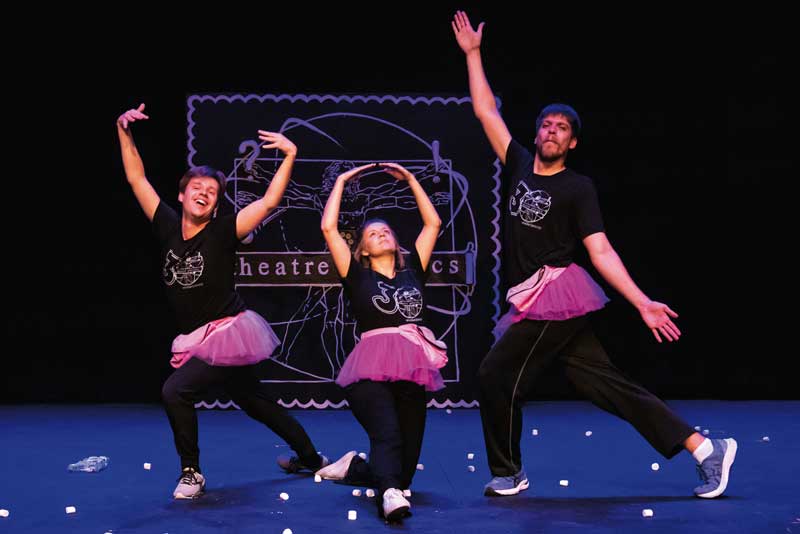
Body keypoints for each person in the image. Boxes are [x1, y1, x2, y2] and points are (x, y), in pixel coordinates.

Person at [451, 11, 736, 499]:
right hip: (528, 297)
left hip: (559, 292)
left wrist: (641, 301)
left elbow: (600, 250)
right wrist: (474, 55)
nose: (551, 130)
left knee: (494, 373)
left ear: (573, 141)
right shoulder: (519, 162)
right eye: (546, 124)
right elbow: (485, 112)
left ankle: (508, 471)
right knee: (604, 384)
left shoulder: (577, 188)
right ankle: (706, 449)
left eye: (562, 128)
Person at [116, 104, 328, 500]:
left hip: (229, 332)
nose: (203, 194)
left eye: (211, 192)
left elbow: (266, 204)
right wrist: (123, 132)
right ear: (181, 195)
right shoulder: (165, 224)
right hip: (197, 335)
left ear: (216, 206)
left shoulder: (223, 231)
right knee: (257, 403)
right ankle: (311, 458)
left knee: (175, 391)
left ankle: (192, 473)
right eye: (196, 188)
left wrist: (291, 156)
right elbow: (136, 177)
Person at [314, 162, 446, 521]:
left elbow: (433, 223)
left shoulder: (413, 270)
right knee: (387, 435)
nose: (382, 234)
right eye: (373, 233)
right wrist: (341, 180)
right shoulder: (356, 276)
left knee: (404, 468)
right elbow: (328, 227)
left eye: (386, 230)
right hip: (369, 368)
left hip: (411, 367)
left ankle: (356, 467)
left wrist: (412, 180)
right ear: (364, 250)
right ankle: (387, 497)